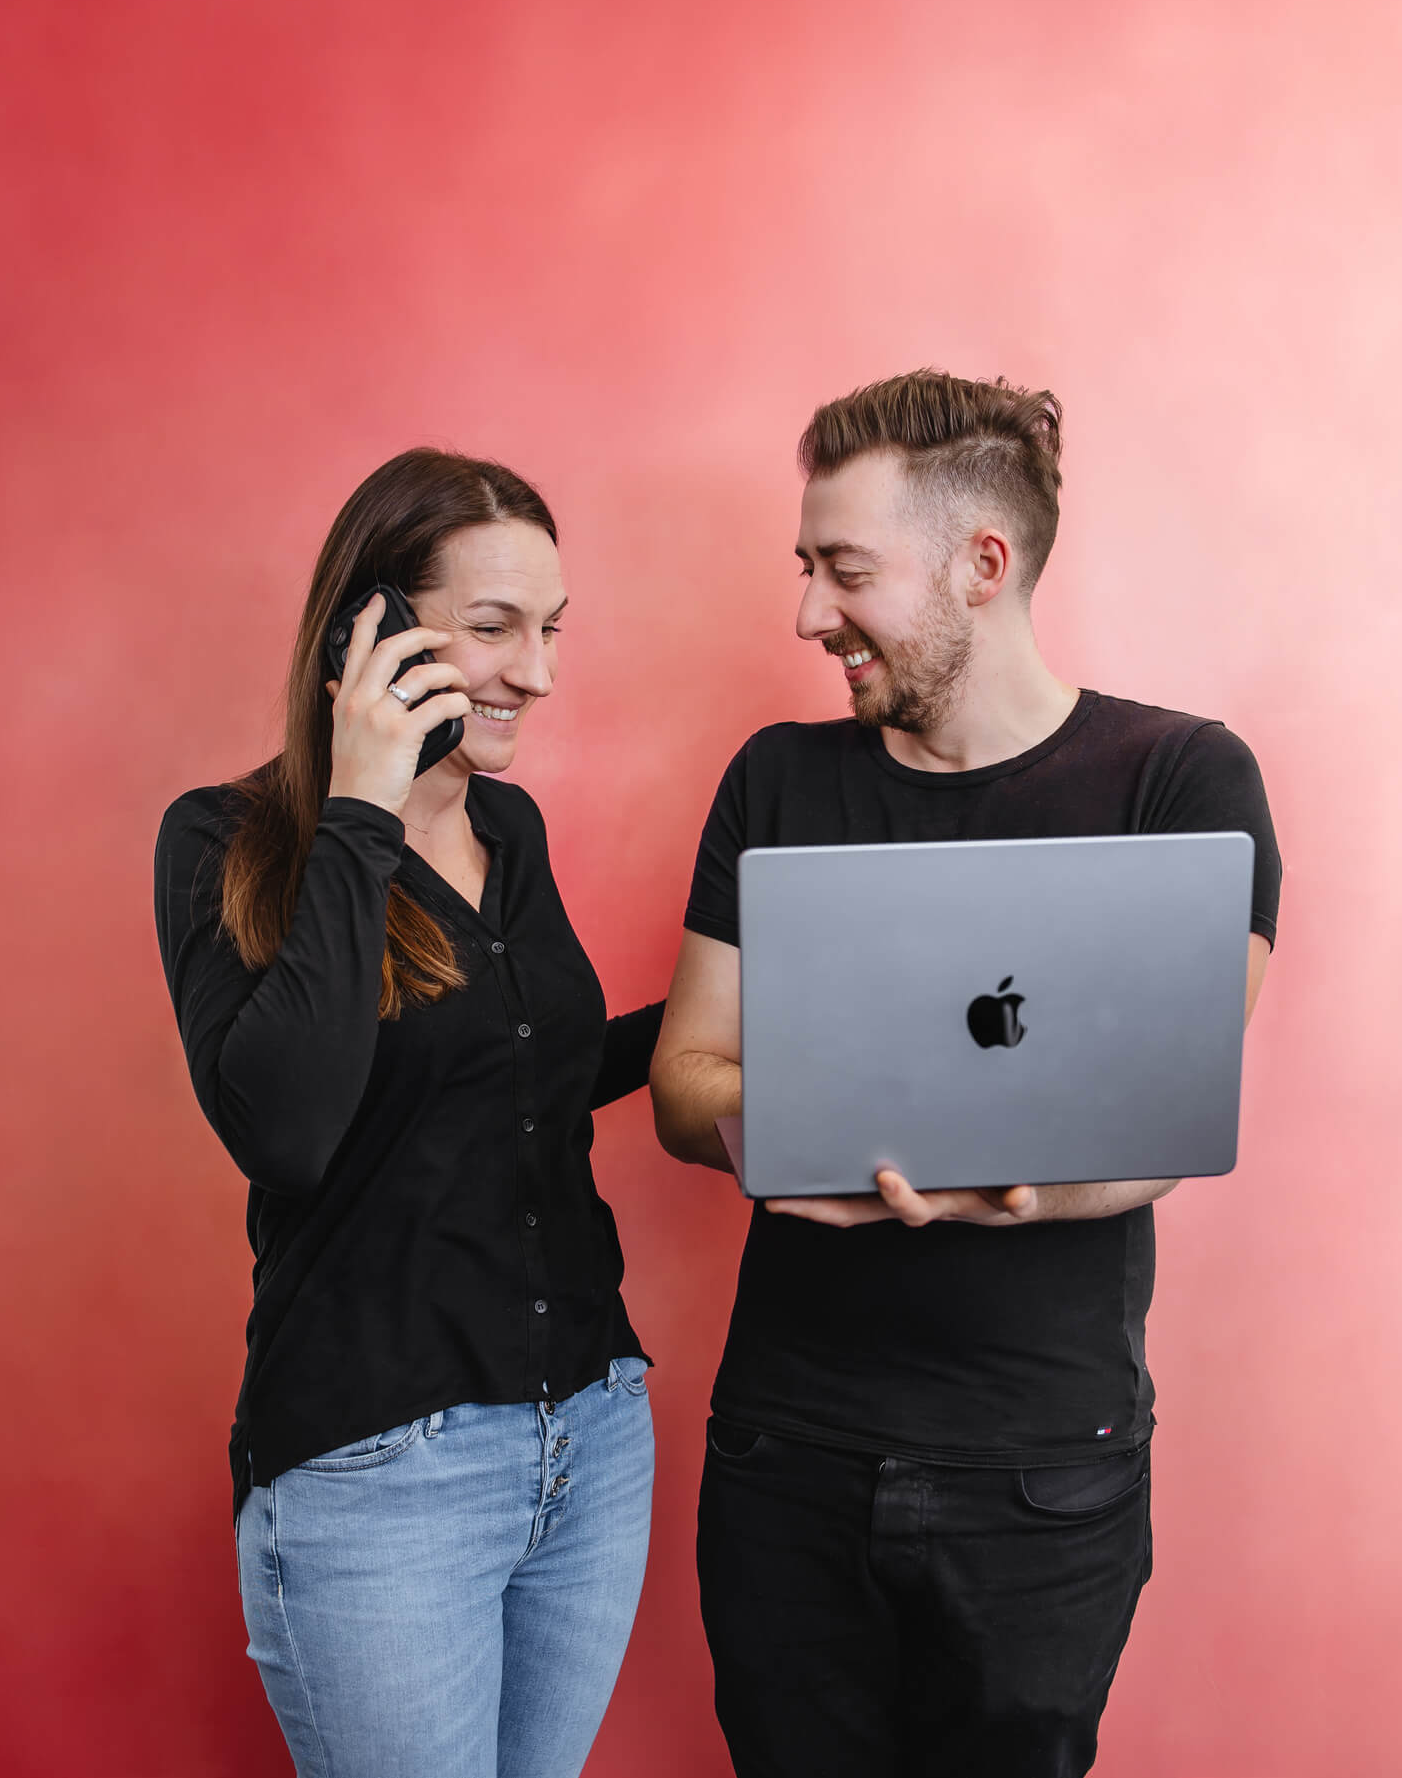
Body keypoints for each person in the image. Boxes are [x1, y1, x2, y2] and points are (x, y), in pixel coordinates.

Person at [650, 371, 1282, 1777]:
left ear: (981, 565)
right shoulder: (778, 779)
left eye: (845, 569)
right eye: (806, 566)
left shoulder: (1180, 785)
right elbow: (681, 1073)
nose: (810, 612)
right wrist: (783, 1127)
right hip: (789, 1453)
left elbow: (1175, 1108)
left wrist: (997, 1191)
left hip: (1046, 1465)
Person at [153, 448, 660, 1778]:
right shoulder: (223, 841)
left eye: (550, 629)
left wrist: (725, 1016)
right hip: (385, 1472)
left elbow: (516, 1070)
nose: (536, 673)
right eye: (494, 626)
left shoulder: (516, 831)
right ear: (364, 633)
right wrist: (366, 805)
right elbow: (290, 1127)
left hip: (591, 1436)